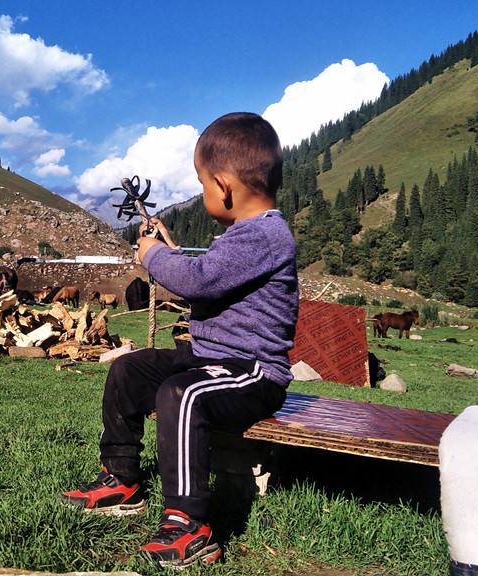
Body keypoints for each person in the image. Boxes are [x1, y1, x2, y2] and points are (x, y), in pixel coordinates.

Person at [58, 112, 299, 569]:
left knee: (181, 394)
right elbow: (207, 273)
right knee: (129, 368)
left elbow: (201, 280)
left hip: (252, 372)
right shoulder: (243, 236)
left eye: (203, 183)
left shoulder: (265, 235)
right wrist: (169, 253)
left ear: (223, 185)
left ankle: (189, 521)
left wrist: (154, 257)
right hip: (210, 359)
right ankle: (121, 476)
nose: (205, 191)